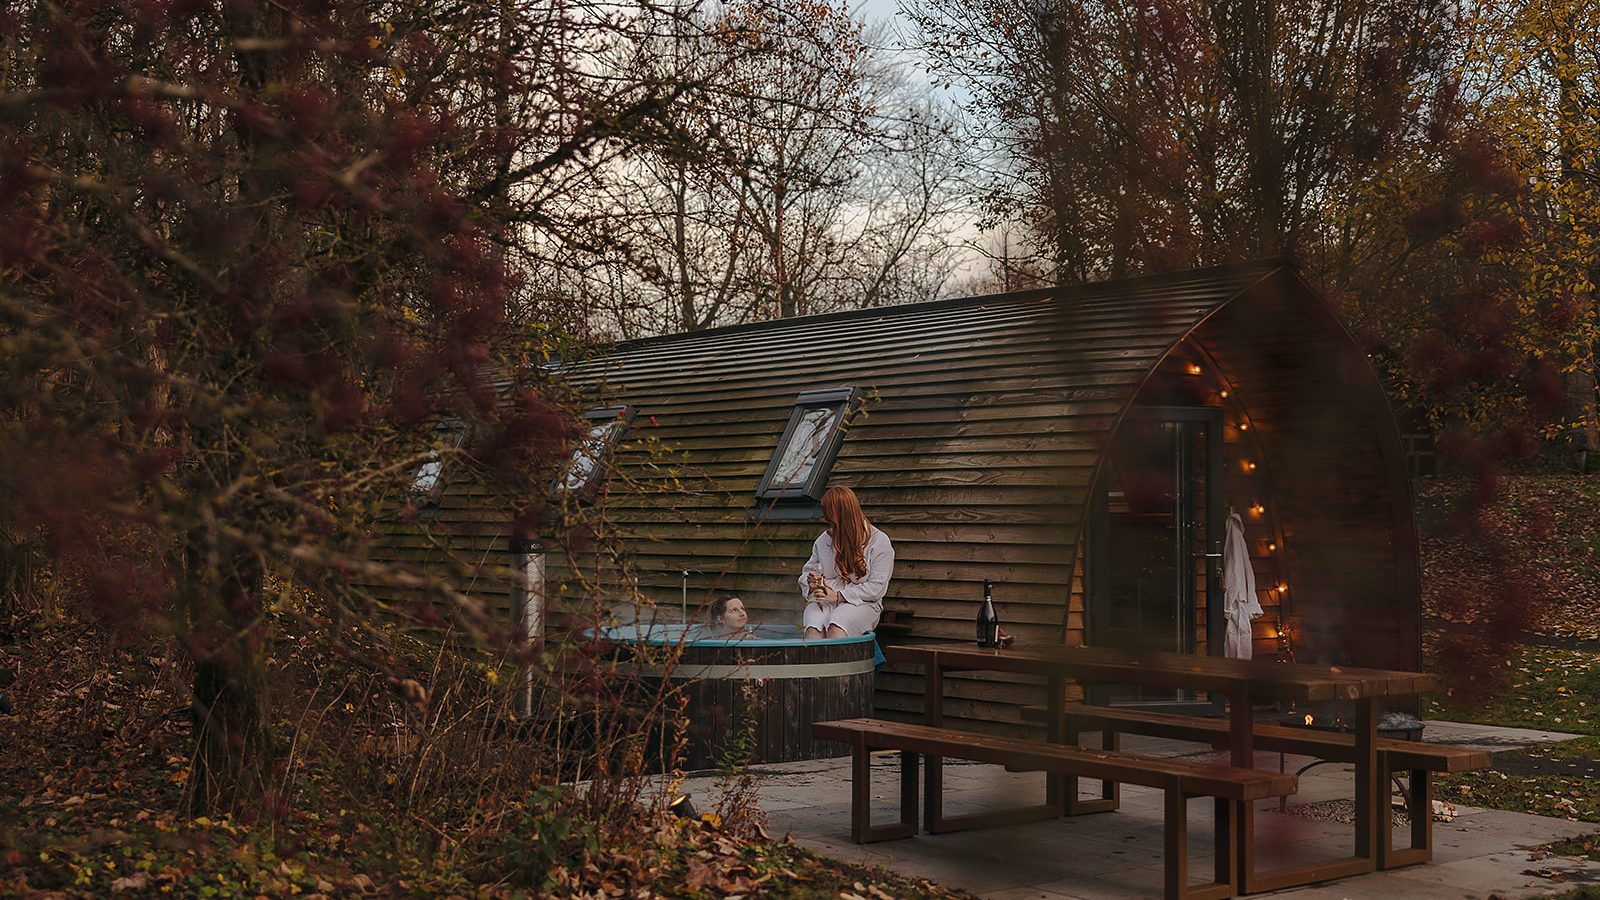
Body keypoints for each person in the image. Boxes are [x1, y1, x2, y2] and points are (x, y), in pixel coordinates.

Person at [799, 485, 894, 638]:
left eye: (833, 521)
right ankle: (813, 661)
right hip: (825, 601)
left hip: (862, 603)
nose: (830, 526)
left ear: (844, 517)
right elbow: (807, 572)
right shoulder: (823, 540)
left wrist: (838, 596)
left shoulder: (878, 542)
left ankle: (839, 662)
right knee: (813, 628)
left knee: (837, 624)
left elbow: (876, 588)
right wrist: (812, 584)